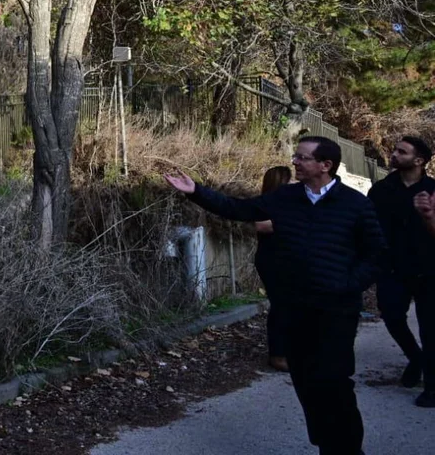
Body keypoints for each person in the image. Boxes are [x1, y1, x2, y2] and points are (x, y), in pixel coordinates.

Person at [165, 136, 385, 455]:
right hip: (294, 307)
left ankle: (347, 448)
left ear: (325, 165)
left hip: (336, 309)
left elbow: (376, 253)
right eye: (296, 156)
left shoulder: (355, 203)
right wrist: (196, 191)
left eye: (302, 157)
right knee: (305, 379)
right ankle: (327, 441)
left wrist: (349, 284)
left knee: (335, 380)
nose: (294, 161)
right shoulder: (285, 198)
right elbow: (238, 209)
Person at [369, 136, 435, 407]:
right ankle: (416, 358)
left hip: (429, 269)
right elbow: (367, 226)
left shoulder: (432, 189)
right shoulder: (381, 189)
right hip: (392, 268)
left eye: (401, 152)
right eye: (394, 149)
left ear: (418, 161)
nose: (393, 154)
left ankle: (431, 387)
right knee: (392, 317)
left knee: (431, 329)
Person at [255, 165, 293, 371]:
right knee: (280, 307)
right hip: (272, 261)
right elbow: (261, 225)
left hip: (290, 261)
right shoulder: (267, 202)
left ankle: (290, 349)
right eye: (291, 179)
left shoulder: (292, 202)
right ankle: (277, 355)